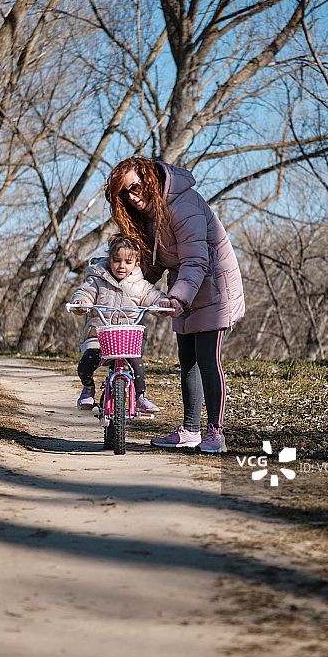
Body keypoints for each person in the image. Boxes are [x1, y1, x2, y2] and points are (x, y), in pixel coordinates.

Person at [105, 157, 245, 453]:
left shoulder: (184, 206)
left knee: (208, 360)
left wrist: (178, 298)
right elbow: (153, 266)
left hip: (213, 289)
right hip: (184, 288)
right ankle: (191, 430)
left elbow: (196, 260)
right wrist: (121, 287)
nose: (132, 196)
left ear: (150, 179)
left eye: (135, 187)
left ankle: (215, 433)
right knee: (188, 362)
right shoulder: (150, 218)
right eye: (124, 194)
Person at [69, 233, 170, 414]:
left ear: (136, 264)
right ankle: (88, 389)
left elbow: (153, 297)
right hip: (98, 336)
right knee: (86, 364)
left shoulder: (140, 285)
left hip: (126, 338)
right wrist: (80, 303)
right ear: (109, 260)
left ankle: (140, 397)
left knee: (136, 364)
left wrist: (162, 304)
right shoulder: (97, 279)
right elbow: (85, 292)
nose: (122, 266)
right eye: (116, 261)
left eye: (128, 262)